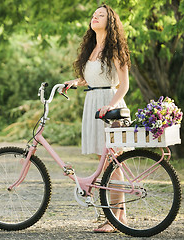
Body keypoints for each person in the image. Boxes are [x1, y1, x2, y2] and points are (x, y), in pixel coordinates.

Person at [64, 4, 131, 233]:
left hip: (109, 105)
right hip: (93, 103)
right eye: (94, 15)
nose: (95, 17)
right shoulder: (92, 48)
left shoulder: (114, 49)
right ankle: (118, 215)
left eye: (100, 15)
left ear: (110, 21)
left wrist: (109, 106)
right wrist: (76, 82)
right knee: (106, 162)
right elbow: (93, 77)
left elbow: (124, 85)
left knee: (113, 162)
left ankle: (115, 218)